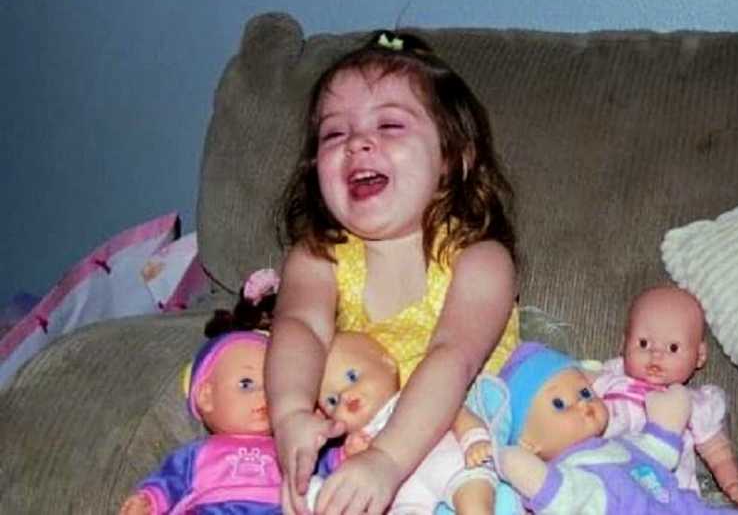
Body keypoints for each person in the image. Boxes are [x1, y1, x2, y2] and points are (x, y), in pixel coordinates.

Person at [268, 30, 520, 514]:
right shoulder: (318, 256)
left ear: (453, 158)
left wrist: (387, 459)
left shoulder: (481, 259)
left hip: (463, 449)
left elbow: (452, 358)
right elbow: (298, 327)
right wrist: (292, 416)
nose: (358, 143)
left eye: (389, 126)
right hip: (353, 445)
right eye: (334, 133)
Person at [479, 342, 738, 514]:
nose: (582, 403)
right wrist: (511, 460)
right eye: (559, 404)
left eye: (584, 391)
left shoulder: (622, 443)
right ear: (528, 442)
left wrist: (666, 421)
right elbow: (558, 493)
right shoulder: (570, 472)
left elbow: (658, 452)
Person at [591, 285, 738, 511]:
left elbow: (716, 450)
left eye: (673, 347)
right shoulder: (609, 380)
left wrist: (732, 483)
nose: (656, 354)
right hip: (606, 487)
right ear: (623, 345)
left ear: (700, 355)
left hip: (665, 497)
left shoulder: (693, 404)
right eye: (644, 343)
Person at [118, 330, 290, 514]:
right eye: (246, 384)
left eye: (273, 385)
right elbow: (170, 481)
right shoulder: (198, 453)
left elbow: (318, 475)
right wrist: (150, 501)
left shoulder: (291, 445)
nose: (264, 395)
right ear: (206, 397)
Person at [317, 331, 483, 513]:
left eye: (352, 377)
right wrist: (352, 456)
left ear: (388, 364)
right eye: (332, 401)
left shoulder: (414, 395)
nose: (345, 396)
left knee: (471, 494)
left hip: (448, 462)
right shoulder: (353, 445)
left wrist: (474, 439)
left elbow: (456, 411)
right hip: (406, 496)